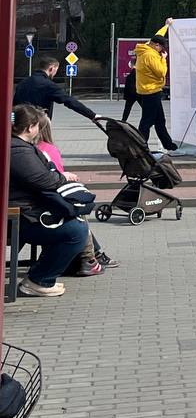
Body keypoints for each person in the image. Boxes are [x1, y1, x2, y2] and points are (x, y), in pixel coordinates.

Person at [9, 104, 90, 297]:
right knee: (76, 232)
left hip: (23, 211)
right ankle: (38, 280)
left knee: (75, 225)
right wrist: (63, 178)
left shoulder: (17, 146)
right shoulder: (19, 150)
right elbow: (41, 179)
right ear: (30, 127)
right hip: (23, 216)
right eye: (37, 126)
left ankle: (40, 277)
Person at [34, 113, 118, 275]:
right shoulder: (47, 149)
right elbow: (55, 176)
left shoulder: (33, 149)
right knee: (76, 212)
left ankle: (93, 256)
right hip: (45, 203)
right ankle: (89, 258)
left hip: (41, 198)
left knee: (75, 211)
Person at [14, 54, 103, 126]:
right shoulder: (48, 85)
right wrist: (92, 115)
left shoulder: (23, 83)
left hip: (19, 125)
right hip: (38, 126)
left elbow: (14, 106)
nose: (55, 74)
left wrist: (12, 123)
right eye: (56, 71)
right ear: (51, 68)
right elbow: (69, 101)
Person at [134, 28, 178, 151]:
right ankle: (140, 146)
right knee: (147, 121)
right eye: (161, 49)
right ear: (156, 45)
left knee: (159, 120)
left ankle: (169, 145)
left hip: (147, 90)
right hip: (151, 91)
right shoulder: (151, 55)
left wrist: (166, 25)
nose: (162, 51)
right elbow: (161, 72)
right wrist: (163, 59)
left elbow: (158, 35)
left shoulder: (145, 48)